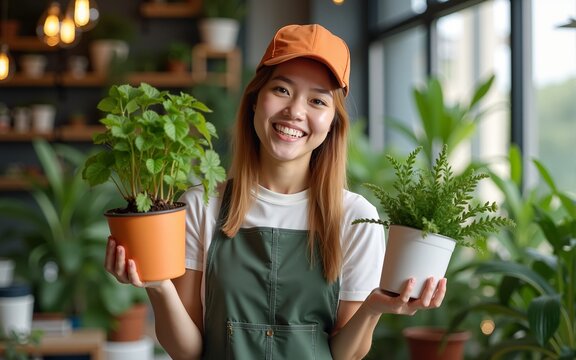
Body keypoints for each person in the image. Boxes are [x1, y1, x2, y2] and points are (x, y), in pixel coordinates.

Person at [105, 23, 447, 359]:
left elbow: (345, 355)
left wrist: (373, 308)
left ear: (332, 124)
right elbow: (189, 350)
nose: (295, 112)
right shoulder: (201, 205)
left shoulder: (357, 219)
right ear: (255, 100)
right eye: (282, 90)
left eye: (317, 101)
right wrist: (158, 285)